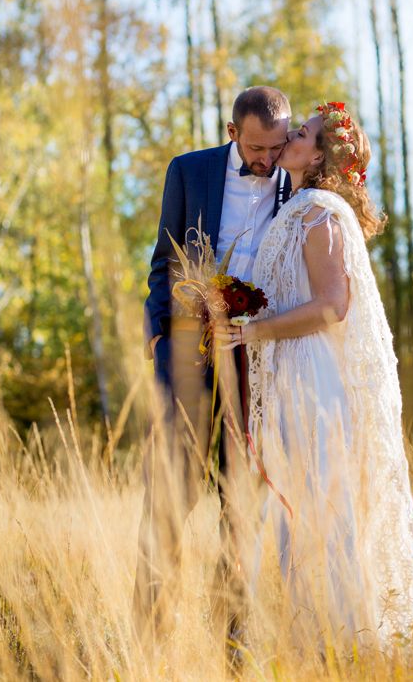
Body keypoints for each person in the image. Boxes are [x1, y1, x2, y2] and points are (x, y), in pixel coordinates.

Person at [216, 102, 413, 660]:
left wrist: (256, 332)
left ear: (317, 155)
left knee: (324, 512)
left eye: (302, 133)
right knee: (301, 514)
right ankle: (313, 642)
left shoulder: (319, 211)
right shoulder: (296, 208)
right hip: (292, 375)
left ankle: (348, 644)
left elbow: (333, 306)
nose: (291, 136)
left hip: (313, 378)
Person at [133, 86, 292, 648]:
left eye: (276, 148)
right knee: (169, 500)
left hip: (260, 368)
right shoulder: (188, 171)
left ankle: (235, 646)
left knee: (241, 508)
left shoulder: (296, 181)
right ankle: (150, 641)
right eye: (255, 147)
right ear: (232, 133)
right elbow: (164, 262)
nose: (267, 160)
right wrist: (157, 335)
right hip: (187, 359)